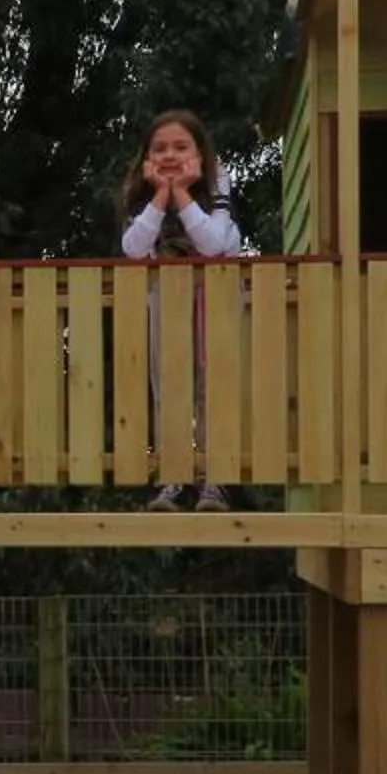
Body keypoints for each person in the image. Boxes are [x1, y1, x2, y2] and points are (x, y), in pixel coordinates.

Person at [117, 109, 248, 509]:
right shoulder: (141, 200)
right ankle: (173, 478)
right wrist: (161, 195)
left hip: (217, 300)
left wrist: (185, 193)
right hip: (167, 300)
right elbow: (134, 249)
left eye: (180, 146)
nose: (170, 154)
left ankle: (216, 480)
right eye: (160, 148)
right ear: (146, 158)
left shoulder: (218, 194)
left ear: (200, 154)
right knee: (168, 386)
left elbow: (211, 244)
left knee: (216, 388)